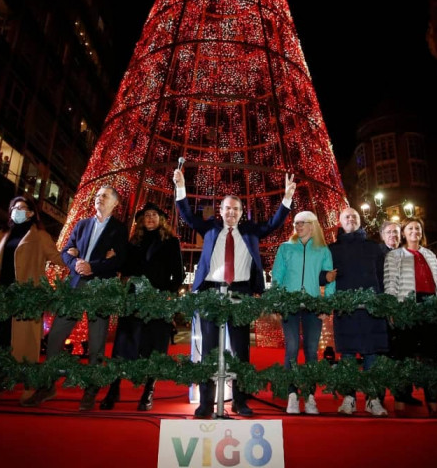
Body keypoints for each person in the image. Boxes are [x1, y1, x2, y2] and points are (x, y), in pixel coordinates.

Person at [173, 168, 296, 418]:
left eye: (236, 209)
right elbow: (185, 214)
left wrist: (287, 198)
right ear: (220, 211)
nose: (231, 212)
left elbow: (273, 224)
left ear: (242, 213)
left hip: (241, 292)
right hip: (211, 293)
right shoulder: (208, 229)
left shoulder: (250, 231)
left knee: (241, 350)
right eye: (227, 208)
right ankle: (206, 402)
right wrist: (181, 187)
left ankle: (240, 401)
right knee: (209, 350)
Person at [23, 186, 127, 411]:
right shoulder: (81, 225)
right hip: (75, 286)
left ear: (115, 203)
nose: (99, 199)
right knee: (56, 336)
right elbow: (65, 251)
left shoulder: (119, 230)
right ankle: (48, 385)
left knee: (97, 343)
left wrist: (93, 266)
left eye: (105, 196)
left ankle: (90, 390)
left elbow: (120, 260)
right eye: (98, 195)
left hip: (100, 290)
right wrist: (76, 264)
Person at [0, 196, 64, 402]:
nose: (16, 211)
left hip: (25, 297)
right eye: (13, 208)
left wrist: (75, 254)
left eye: (21, 208)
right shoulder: (1, 234)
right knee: (1, 340)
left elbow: (57, 258)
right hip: (0, 295)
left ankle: (28, 387)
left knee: (25, 343)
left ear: (31, 213)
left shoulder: (40, 236)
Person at [99, 202, 184, 411]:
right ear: (141, 220)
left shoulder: (171, 242)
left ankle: (148, 391)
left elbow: (179, 275)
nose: (151, 218)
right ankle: (114, 388)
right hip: (134, 300)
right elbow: (125, 267)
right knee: (123, 344)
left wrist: (167, 295)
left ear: (161, 219)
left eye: (155, 215)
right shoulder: (133, 242)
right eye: (147, 215)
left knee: (154, 347)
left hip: (157, 302)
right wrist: (114, 259)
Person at [324, 208, 388, 416]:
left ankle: (373, 398)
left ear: (359, 222)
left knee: (372, 354)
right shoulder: (332, 250)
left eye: (354, 217)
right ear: (340, 222)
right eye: (346, 217)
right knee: (348, 355)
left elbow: (382, 277)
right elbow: (323, 277)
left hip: (371, 309)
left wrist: (383, 303)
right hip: (345, 310)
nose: (351, 219)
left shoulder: (374, 248)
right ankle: (349, 398)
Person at [383, 217, 437, 417]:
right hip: (407, 305)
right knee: (404, 355)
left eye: (418, 228)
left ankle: (433, 402)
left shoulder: (429, 254)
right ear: (404, 233)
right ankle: (401, 400)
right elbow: (390, 283)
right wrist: (392, 309)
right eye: (410, 228)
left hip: (431, 305)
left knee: (430, 356)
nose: (414, 231)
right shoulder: (395, 255)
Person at [271, 210, 334, 415]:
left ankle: (309, 396)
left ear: (312, 225)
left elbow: (330, 280)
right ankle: (291, 395)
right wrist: (276, 304)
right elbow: (277, 277)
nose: (297, 226)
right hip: (289, 304)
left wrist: (327, 306)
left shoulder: (323, 250)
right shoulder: (285, 248)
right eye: (295, 223)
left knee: (311, 351)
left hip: (313, 306)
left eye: (302, 223)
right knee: (291, 348)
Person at [379, 220, 422, 408]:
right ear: (382, 236)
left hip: (406, 310)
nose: (393, 236)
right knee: (385, 355)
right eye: (389, 232)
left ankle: (403, 394)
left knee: (406, 353)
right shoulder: (377, 255)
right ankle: (379, 396)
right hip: (384, 312)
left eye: (396, 232)